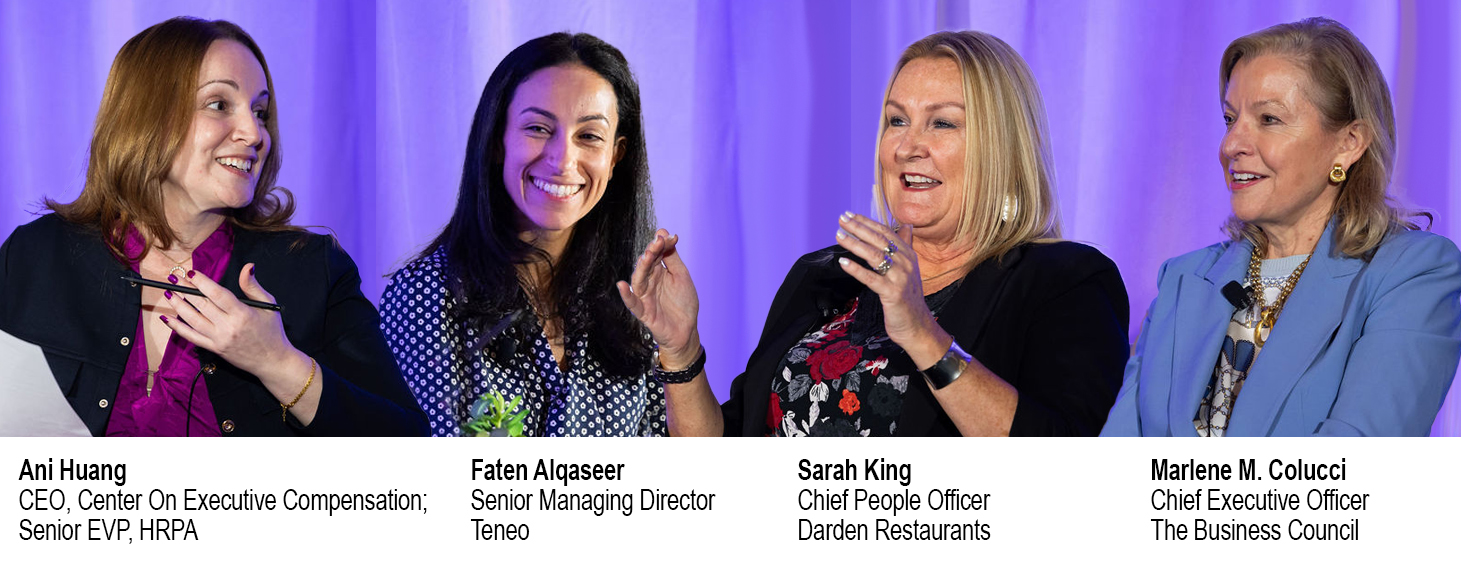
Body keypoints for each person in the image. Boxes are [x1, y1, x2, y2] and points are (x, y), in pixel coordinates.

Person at [638, 30, 1131, 437]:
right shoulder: (824, 273)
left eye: (942, 124)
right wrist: (681, 351)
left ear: (1001, 146)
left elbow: (1062, 470)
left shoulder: (1065, 282)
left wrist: (923, 334)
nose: (907, 146)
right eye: (897, 120)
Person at [0, 17, 427, 437]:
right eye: (219, 105)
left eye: (260, 112)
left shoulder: (313, 270)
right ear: (146, 116)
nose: (254, 133)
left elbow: (405, 444)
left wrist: (277, 362)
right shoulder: (35, 256)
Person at [1102, 18, 1461, 437]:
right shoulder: (1183, 279)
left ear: (1348, 143)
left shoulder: (1412, 274)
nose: (1231, 145)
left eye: (1269, 119)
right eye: (1229, 119)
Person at [380, 33, 720, 437]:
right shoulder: (425, 295)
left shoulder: (633, 297)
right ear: (497, 141)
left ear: (615, 156)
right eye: (539, 128)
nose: (562, 160)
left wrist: (680, 348)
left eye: (589, 136)